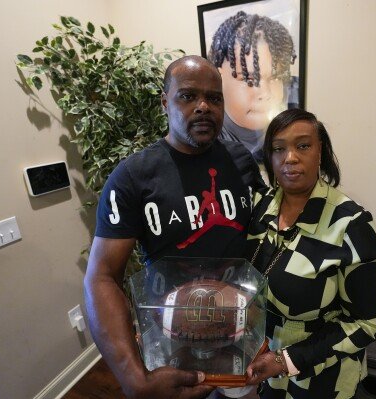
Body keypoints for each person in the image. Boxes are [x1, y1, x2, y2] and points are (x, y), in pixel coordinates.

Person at [84, 55, 264, 399]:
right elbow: (102, 276)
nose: (203, 107)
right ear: (165, 101)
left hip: (239, 330)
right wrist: (131, 376)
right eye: (187, 96)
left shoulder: (240, 161)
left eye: (214, 98)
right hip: (173, 336)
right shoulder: (133, 176)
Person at [244, 109, 376, 398]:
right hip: (264, 363)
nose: (290, 158)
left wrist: (285, 360)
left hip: (322, 376)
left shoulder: (352, 224)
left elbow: (368, 322)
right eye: (278, 149)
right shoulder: (260, 207)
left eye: (303, 146)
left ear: (320, 151)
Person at [208, 10, 297, 161]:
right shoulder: (205, 136)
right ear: (219, 77)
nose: (265, 93)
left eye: (275, 78)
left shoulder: (295, 106)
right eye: (249, 79)